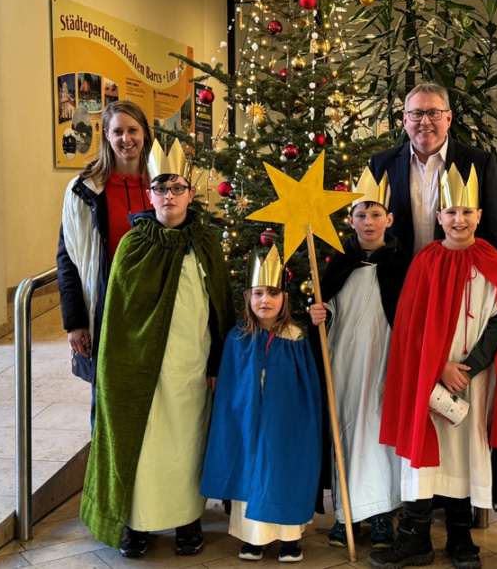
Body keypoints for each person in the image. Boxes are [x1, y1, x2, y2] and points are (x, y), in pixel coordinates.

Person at [79, 139, 235, 559]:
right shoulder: (133, 245)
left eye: (178, 188)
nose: (169, 197)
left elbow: (222, 309)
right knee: (144, 445)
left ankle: (187, 520)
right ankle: (138, 523)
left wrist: (219, 362)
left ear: (190, 193)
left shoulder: (205, 244)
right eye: (161, 189)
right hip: (140, 368)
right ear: (149, 193)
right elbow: (118, 320)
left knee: (187, 443)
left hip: (191, 365)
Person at [370, 164, 497, 569]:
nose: (459, 219)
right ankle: (415, 537)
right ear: (439, 217)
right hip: (429, 378)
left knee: (465, 452)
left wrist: (465, 368)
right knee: (425, 450)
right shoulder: (425, 262)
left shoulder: (493, 263)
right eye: (451, 212)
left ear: (479, 216)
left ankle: (460, 537)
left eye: (467, 212)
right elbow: (411, 328)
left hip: (474, 379)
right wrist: (438, 368)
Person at [307, 167, 411, 549]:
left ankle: (383, 514)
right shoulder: (338, 261)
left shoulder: (402, 263)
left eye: (376, 214)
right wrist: (316, 314)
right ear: (350, 220)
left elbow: (410, 316)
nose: (368, 222)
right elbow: (324, 310)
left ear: (390, 218)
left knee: (380, 434)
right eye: (361, 215)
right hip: (345, 364)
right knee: (345, 431)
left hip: (384, 361)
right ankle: (345, 513)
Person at [201, 246, 323, 563]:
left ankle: (290, 540)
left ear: (284, 297)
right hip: (247, 424)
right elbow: (230, 392)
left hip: (285, 423)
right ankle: (253, 539)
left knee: (284, 472)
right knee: (251, 472)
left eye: (272, 293)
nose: (265, 301)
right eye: (258, 293)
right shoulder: (237, 339)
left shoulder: (296, 338)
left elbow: (307, 389)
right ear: (247, 297)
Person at [57, 99, 155, 426]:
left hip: (156, 311)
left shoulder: (165, 184)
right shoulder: (84, 191)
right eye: (118, 132)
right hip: (108, 311)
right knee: (108, 403)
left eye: (132, 130)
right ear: (106, 138)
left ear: (145, 134)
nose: (126, 139)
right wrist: (74, 321)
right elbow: (68, 259)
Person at [368, 82, 497, 265]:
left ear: (448, 119)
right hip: (398, 281)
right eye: (416, 113)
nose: (425, 122)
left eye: (434, 113)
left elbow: (495, 231)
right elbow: (368, 227)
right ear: (405, 120)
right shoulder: (381, 164)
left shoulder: (479, 163)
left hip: (457, 277)